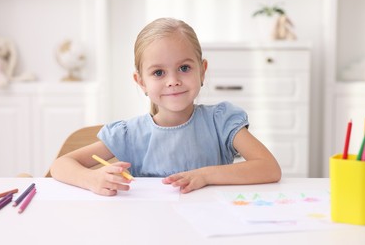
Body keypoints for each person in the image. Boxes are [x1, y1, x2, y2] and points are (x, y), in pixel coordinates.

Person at [50, 17, 281, 196]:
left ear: (202, 70)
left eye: (184, 68)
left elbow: (269, 168)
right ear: (141, 82)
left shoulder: (221, 120)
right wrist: (91, 179)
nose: (173, 80)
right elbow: (61, 165)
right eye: (158, 72)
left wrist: (205, 176)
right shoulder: (129, 134)